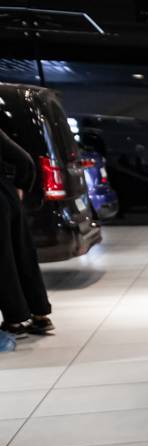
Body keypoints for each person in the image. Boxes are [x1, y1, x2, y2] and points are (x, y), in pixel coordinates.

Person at [0, 127, 53, 337]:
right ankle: (40, 315)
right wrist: (20, 186)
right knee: (23, 254)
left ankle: (14, 320)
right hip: (8, 195)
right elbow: (24, 159)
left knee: (4, 261)